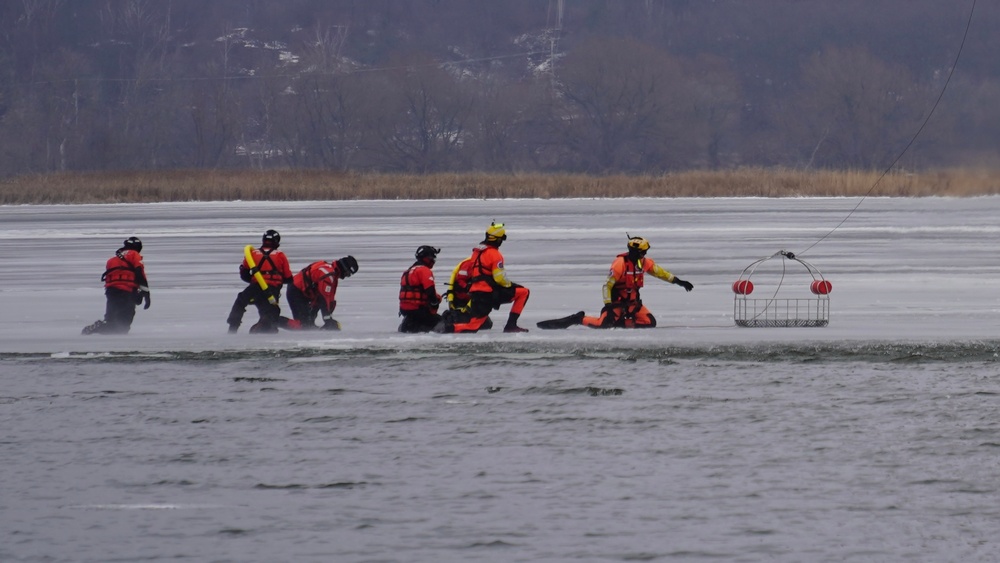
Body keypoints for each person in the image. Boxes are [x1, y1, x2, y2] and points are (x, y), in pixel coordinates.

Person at [579, 236, 693, 328]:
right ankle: (578, 319)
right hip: (616, 304)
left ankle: (619, 324)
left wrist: (679, 282)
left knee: (649, 322)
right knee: (603, 325)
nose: (644, 255)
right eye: (643, 252)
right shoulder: (620, 264)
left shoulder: (644, 263)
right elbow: (607, 286)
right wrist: (608, 305)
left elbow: (661, 273)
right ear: (636, 252)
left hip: (634, 304)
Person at [438, 222, 530, 333]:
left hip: (476, 293)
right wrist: (510, 285)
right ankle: (511, 325)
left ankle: (447, 329)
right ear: (498, 239)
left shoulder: (477, 253)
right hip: (488, 294)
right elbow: (499, 278)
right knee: (523, 292)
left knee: (474, 325)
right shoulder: (495, 254)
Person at [227, 229, 294, 334]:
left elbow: (244, 274)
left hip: (255, 287)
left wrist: (257, 279)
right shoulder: (280, 255)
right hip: (272, 290)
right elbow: (288, 278)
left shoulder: (252, 254)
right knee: (271, 312)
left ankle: (232, 328)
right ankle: (268, 329)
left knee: (241, 301)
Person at [82, 237, 151, 335]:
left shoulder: (112, 260)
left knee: (111, 318)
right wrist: (146, 294)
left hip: (111, 291)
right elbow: (139, 273)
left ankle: (102, 331)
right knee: (124, 323)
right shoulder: (134, 255)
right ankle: (101, 328)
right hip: (126, 291)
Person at [287, 255, 358, 330]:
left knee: (308, 323)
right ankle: (276, 321)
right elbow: (323, 298)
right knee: (302, 325)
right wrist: (327, 319)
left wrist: (328, 317)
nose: (345, 277)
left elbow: (329, 299)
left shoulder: (332, 274)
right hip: (296, 291)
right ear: (344, 268)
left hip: (305, 293)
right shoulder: (328, 275)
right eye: (348, 274)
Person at [398, 245, 443, 333]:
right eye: (433, 257)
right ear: (427, 257)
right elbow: (430, 290)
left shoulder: (408, 271)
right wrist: (435, 303)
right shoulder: (424, 270)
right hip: (418, 310)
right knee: (442, 323)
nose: (433, 260)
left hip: (405, 310)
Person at [443, 254, 493, 330]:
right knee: (461, 321)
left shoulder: (486, 266)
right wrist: (470, 288)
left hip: (475, 300)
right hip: (462, 300)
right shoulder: (468, 264)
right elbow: (460, 280)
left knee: (486, 324)